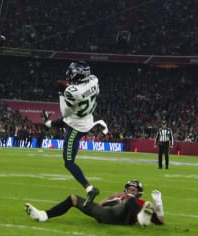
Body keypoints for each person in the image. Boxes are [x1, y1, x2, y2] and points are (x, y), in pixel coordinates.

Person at [41, 61, 108, 207]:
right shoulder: (94, 79)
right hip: (87, 119)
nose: (69, 75)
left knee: (68, 162)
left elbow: (65, 113)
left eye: (71, 73)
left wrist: (61, 93)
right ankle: (48, 124)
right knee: (67, 119)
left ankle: (89, 189)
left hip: (77, 127)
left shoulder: (72, 91)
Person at [25, 179, 164, 227]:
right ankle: (43, 215)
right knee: (73, 198)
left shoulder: (140, 201)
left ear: (139, 192)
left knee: (130, 202)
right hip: (106, 214)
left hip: (122, 218)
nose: (131, 191)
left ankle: (143, 219)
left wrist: (158, 203)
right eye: (130, 189)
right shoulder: (118, 195)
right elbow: (100, 205)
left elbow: (161, 221)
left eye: (134, 190)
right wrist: (110, 197)